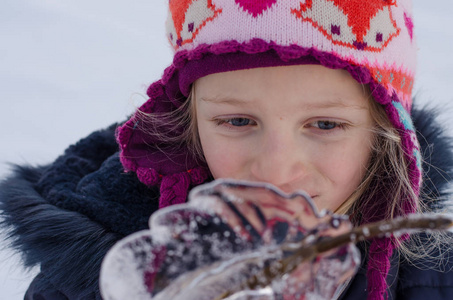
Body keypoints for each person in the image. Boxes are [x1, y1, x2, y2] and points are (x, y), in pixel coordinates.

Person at [1, 0, 453, 299]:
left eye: (325, 124)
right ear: (187, 123)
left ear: (389, 135)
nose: (275, 170)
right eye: (238, 121)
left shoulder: (432, 274)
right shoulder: (95, 263)